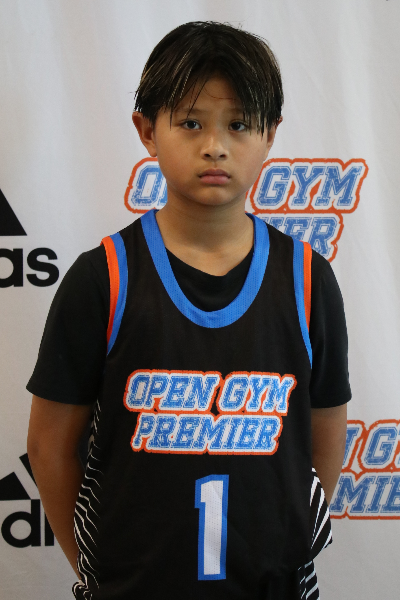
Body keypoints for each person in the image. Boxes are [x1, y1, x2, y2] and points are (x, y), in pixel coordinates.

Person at [26, 21, 350, 600]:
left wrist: (294, 542)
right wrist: (96, 570)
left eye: (238, 124)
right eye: (192, 123)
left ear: (270, 135)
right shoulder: (102, 279)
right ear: (147, 130)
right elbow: (50, 446)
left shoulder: (308, 281)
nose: (215, 146)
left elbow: (324, 432)